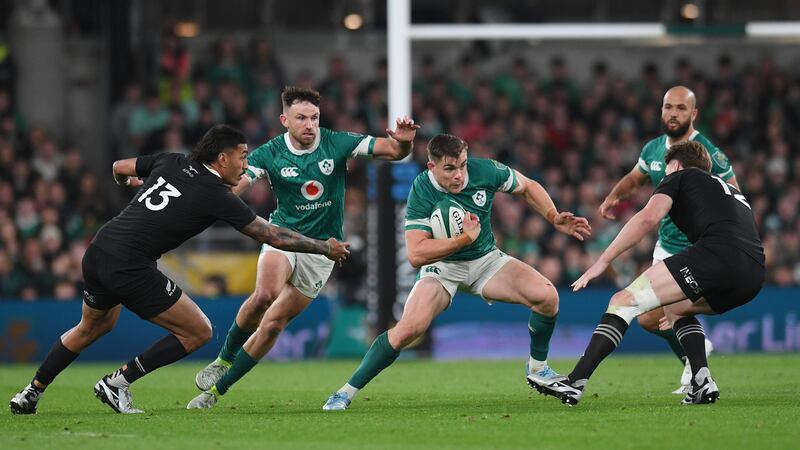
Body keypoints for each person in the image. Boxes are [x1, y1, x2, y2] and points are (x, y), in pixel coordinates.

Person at [9, 125, 350, 415]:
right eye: (243, 156)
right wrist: (323, 247)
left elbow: (118, 166)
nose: (246, 165)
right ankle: (117, 383)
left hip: (99, 249)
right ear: (222, 158)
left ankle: (31, 392)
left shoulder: (172, 161)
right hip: (130, 264)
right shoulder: (217, 194)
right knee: (198, 332)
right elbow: (272, 234)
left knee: (91, 327)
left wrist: (133, 185)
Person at [321, 133, 592, 411]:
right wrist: (463, 240)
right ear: (432, 167)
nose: (459, 174)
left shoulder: (484, 170)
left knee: (547, 297)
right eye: (450, 168)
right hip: (442, 268)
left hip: (485, 260)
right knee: (407, 330)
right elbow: (415, 254)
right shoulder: (422, 190)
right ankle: (345, 392)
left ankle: (538, 369)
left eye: (462, 165)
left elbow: (527, 186)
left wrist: (553, 216)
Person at [187, 86, 420, 408]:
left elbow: (395, 152)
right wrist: (214, 198)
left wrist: (405, 140)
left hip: (322, 251)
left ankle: (216, 392)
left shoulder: (337, 142)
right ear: (285, 120)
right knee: (265, 294)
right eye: (301, 118)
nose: (309, 124)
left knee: (272, 325)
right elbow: (240, 182)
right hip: (282, 237)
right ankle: (223, 359)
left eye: (314, 117)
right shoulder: (270, 152)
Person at [531, 141, 764, 406]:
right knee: (677, 308)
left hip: (718, 255)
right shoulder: (730, 189)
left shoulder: (678, 176)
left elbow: (647, 219)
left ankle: (575, 382)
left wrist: (602, 261)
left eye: (666, 169)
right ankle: (701, 381)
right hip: (753, 274)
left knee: (622, 301)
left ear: (674, 165)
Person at [597, 86, 738, 394]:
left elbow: (735, 197)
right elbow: (636, 178)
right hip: (666, 247)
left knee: (671, 312)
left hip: (698, 249)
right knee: (648, 319)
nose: (673, 114)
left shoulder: (707, 153)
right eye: (668, 107)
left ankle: (696, 372)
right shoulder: (653, 149)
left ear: (694, 114)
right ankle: (694, 365)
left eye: (681, 109)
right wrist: (613, 197)